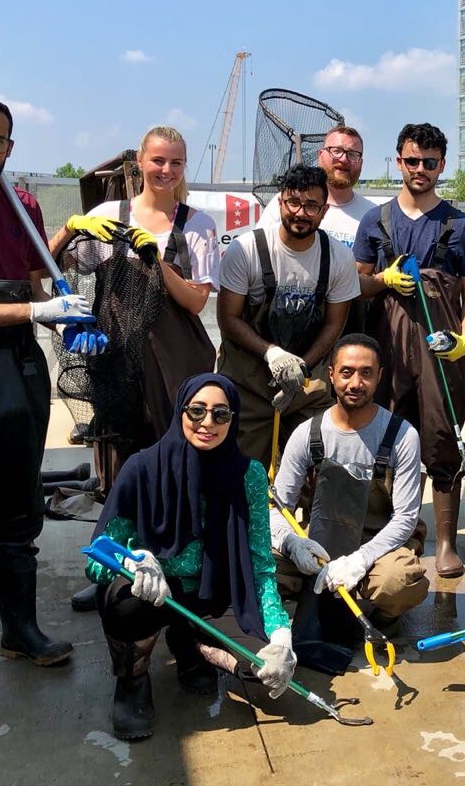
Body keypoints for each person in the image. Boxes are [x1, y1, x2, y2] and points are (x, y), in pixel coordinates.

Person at [51, 126, 221, 613]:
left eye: (175, 163)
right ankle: (110, 571)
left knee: (177, 463)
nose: (166, 170)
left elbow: (196, 301)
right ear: (140, 163)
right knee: (121, 467)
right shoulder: (110, 215)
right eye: (158, 161)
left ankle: (178, 568)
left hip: (179, 358)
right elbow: (51, 265)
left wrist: (156, 259)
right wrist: (73, 227)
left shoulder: (197, 224)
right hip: (118, 358)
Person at [85, 373, 296, 740]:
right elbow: (96, 558)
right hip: (155, 594)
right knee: (124, 604)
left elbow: (260, 563)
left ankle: (190, 644)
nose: (207, 423)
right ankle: (133, 679)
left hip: (213, 594)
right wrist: (132, 561)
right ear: (180, 411)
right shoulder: (141, 468)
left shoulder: (249, 475)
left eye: (220, 414)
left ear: (233, 419)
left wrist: (280, 633)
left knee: (261, 668)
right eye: (196, 411)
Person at [353, 123, 465, 578]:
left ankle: (445, 541)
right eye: (412, 161)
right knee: (386, 438)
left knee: (442, 437)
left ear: (442, 165)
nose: (420, 169)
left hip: (441, 352)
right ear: (399, 162)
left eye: (430, 162)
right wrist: (382, 279)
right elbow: (356, 284)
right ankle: (397, 535)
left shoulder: (460, 225)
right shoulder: (375, 221)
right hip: (387, 349)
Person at [269, 334, 428, 672]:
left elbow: (405, 518)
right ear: (331, 375)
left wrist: (360, 559)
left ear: (379, 376)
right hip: (319, 542)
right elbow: (278, 507)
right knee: (257, 562)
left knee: (398, 582)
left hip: (379, 543)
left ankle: (380, 615)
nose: (356, 383)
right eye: (347, 372)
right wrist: (293, 543)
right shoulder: (307, 434)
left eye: (366, 373)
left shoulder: (402, 436)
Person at [0, 100, 85, 665]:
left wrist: (65, 316)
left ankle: (19, 630)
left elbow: (35, 285)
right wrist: (36, 312)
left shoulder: (22, 202)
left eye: (2, 139)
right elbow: (32, 306)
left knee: (19, 497)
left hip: (18, 361)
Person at [217, 164, 360, 467]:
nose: (301, 212)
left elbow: (334, 324)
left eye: (311, 206)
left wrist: (302, 367)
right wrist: (272, 354)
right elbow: (228, 319)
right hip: (248, 383)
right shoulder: (246, 250)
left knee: (320, 464)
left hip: (309, 388)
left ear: (324, 210)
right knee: (241, 472)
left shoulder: (339, 258)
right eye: (294, 202)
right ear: (280, 202)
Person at [256, 125, 375, 250]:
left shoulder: (373, 216)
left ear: (361, 163)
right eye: (336, 151)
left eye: (353, 154)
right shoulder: (288, 203)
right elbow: (259, 249)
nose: (344, 159)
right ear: (320, 155)